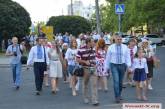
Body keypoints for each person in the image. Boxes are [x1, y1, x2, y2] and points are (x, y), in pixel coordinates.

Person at [105, 33, 131, 103]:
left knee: (120, 82)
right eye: (118, 39)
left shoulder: (125, 47)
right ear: (115, 40)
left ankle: (119, 94)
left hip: (122, 65)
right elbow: (108, 58)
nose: (119, 40)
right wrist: (106, 68)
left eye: (120, 39)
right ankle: (117, 96)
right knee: (116, 81)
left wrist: (128, 66)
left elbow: (127, 57)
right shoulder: (111, 47)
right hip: (114, 65)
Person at [76, 38, 99, 106]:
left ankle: (95, 100)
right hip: (85, 69)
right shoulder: (81, 49)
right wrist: (85, 61)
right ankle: (85, 97)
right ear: (88, 42)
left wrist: (96, 63)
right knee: (85, 84)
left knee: (94, 84)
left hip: (94, 68)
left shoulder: (94, 48)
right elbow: (77, 59)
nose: (94, 43)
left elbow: (95, 57)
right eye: (92, 42)